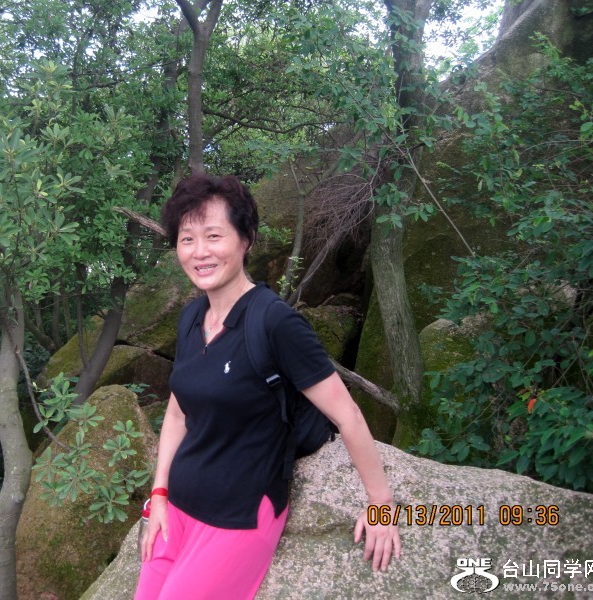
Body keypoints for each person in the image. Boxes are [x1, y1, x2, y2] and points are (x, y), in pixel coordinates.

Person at [135, 174, 400, 600]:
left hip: (240, 516)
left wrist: (381, 505)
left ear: (246, 240)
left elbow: (347, 415)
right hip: (179, 506)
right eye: (187, 239)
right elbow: (178, 412)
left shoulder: (275, 322)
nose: (199, 252)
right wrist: (160, 494)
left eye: (214, 236)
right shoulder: (190, 319)